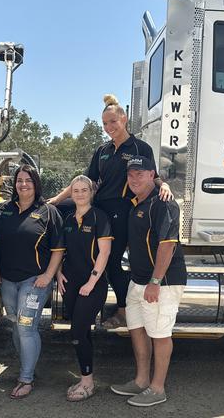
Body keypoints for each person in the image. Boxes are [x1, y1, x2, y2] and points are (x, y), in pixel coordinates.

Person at [49, 94, 173, 329]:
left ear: (124, 119)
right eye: (105, 124)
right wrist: (55, 199)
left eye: (113, 122)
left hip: (121, 210)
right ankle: (57, 271)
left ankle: (123, 312)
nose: (109, 128)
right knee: (56, 210)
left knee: (112, 262)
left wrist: (164, 185)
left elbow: (152, 177)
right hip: (99, 207)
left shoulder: (140, 147)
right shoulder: (102, 150)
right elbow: (84, 180)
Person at [110, 155, 187, 407]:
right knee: (137, 330)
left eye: (140, 174)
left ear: (152, 174)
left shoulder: (163, 203)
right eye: (131, 174)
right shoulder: (136, 203)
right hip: (138, 280)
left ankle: (157, 388)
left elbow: (167, 246)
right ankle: (141, 380)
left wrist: (155, 281)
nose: (134, 179)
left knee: (160, 333)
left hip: (161, 282)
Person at [0, 164, 64, 399]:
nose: (23, 184)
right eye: (19, 180)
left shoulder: (48, 212)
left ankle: (26, 378)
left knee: (26, 326)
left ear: (36, 184)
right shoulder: (4, 211)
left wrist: (48, 275)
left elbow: (58, 249)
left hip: (35, 281)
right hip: (8, 280)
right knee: (14, 322)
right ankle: (26, 366)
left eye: (28, 181)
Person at [56, 175, 112, 401]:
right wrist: (59, 272)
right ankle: (84, 376)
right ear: (71, 193)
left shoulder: (100, 217)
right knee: (82, 330)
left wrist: (92, 282)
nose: (79, 194)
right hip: (70, 282)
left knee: (77, 331)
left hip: (92, 284)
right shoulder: (68, 218)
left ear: (91, 192)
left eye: (84, 190)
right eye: (75, 190)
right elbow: (61, 249)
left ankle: (88, 382)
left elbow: (105, 252)